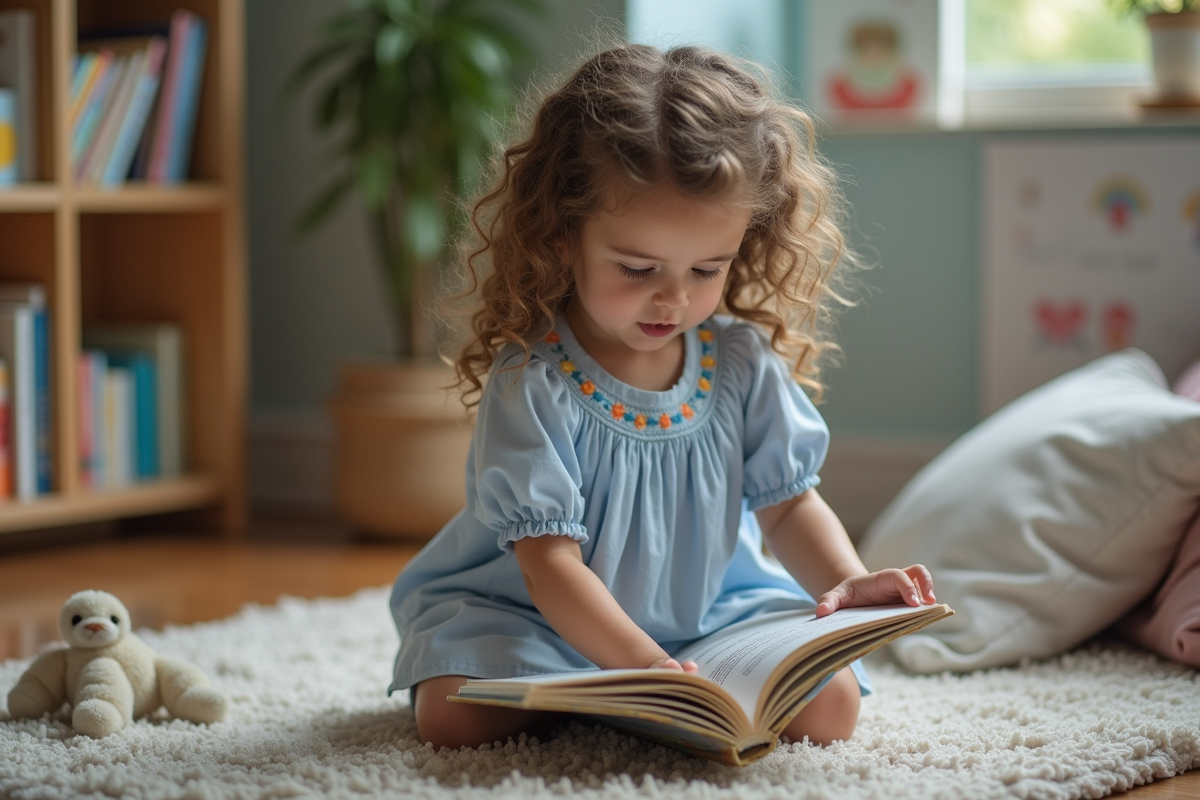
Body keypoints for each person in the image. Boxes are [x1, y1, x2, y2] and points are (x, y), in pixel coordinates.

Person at [388, 43, 936, 752]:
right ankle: (617, 698)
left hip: (708, 614)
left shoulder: (740, 362)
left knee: (832, 706)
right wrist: (647, 671)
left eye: (707, 269)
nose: (674, 298)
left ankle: (628, 702)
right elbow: (548, 564)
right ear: (561, 237)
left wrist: (850, 582)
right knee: (453, 718)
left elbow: (789, 505)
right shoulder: (534, 379)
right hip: (535, 614)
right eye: (638, 268)